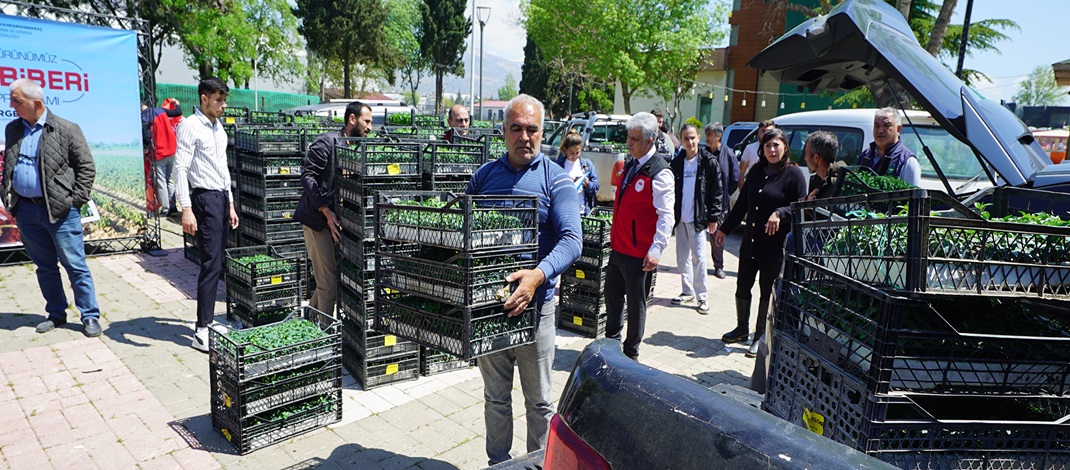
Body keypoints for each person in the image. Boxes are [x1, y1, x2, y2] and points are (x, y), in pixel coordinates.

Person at [466, 94, 581, 466]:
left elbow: (572, 240)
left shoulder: (556, 179)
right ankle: (498, 463)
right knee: (495, 397)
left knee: (540, 402)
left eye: (532, 129)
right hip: (490, 309)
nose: (524, 136)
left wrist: (536, 277)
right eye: (516, 128)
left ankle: (538, 465)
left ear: (542, 132)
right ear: (503, 132)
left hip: (538, 311)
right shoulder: (484, 177)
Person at [2, 79, 102, 337]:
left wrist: (74, 202)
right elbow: (9, 166)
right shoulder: (13, 129)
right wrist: (9, 198)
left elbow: (86, 168)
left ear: (36, 103)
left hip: (60, 212)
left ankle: (89, 315)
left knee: (75, 266)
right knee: (45, 266)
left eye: (16, 100)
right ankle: (56, 313)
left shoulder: (67, 129)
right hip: (26, 211)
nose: (11, 105)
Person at [714, 128, 806, 358]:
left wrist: (780, 212)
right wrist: (724, 229)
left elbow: (801, 208)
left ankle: (760, 335)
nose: (772, 150)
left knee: (767, 291)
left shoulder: (794, 175)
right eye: (768, 146)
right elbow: (742, 206)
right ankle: (742, 328)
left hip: (773, 248)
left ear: (785, 146)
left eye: (776, 145)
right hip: (750, 244)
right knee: (743, 286)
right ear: (761, 149)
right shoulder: (756, 171)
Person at [174, 77, 239, 352]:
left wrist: (231, 203)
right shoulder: (190, 125)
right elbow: (180, 168)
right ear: (204, 98)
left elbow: (222, 167)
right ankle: (202, 329)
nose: (223, 105)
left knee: (217, 262)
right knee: (210, 263)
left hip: (221, 198)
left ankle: (209, 321)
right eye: (218, 100)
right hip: (203, 198)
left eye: (224, 100)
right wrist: (186, 208)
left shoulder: (218, 127)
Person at [605, 112, 675, 361]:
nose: (629, 143)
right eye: (628, 137)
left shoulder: (660, 172)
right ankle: (611, 345)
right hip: (618, 248)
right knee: (612, 298)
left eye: (634, 139)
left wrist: (656, 249)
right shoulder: (631, 163)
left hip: (639, 255)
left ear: (649, 140)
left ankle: (631, 353)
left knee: (636, 307)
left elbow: (667, 216)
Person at [295, 101, 373, 317]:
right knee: (328, 284)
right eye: (366, 121)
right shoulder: (328, 142)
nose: (370, 127)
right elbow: (307, 176)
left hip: (335, 225)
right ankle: (325, 341)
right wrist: (326, 211)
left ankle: (309, 323)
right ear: (352, 119)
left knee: (327, 281)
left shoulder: (353, 148)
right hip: (317, 223)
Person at [670, 124, 722, 314]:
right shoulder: (677, 163)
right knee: (682, 257)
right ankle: (687, 291)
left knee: (699, 258)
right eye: (686, 138)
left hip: (698, 219)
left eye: (693, 137)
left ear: (698, 137)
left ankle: (702, 297)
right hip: (680, 218)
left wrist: (713, 217)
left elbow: (717, 191)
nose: (690, 142)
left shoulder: (708, 161)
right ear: (681, 140)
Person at [703, 122, 739, 279]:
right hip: (702, 202)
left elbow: (735, 179)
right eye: (706, 134)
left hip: (720, 204)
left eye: (710, 134)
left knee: (717, 235)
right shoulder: (702, 154)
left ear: (719, 136)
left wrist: (724, 195)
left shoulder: (728, 155)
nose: (707, 138)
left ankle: (718, 266)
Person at [858, 107, 921, 186]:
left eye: (887, 125)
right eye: (877, 126)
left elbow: (912, 195)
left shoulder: (907, 161)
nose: (880, 130)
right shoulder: (866, 154)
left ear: (898, 129)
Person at [141, 97, 183, 215]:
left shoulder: (144, 117)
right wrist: (177, 103)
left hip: (160, 152)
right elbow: (177, 112)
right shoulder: (160, 111)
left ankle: (165, 209)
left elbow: (147, 136)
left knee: (161, 181)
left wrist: (146, 148)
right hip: (171, 149)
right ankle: (173, 206)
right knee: (169, 179)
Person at [553, 129, 600, 215]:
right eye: (571, 153)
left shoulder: (587, 165)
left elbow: (596, 187)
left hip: (582, 211)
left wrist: (587, 184)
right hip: (563, 211)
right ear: (565, 150)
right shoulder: (558, 165)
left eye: (577, 152)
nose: (575, 156)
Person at [803, 131, 844, 201]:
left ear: (816, 157)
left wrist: (809, 206)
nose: (805, 158)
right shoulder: (819, 180)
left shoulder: (838, 183)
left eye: (806, 154)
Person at [738, 119, 776, 192]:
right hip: (753, 189)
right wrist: (742, 193)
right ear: (758, 132)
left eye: (769, 131)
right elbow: (741, 173)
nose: (765, 134)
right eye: (763, 131)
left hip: (771, 190)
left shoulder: (777, 150)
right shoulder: (750, 148)